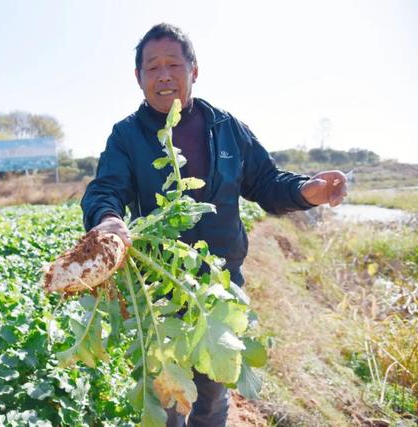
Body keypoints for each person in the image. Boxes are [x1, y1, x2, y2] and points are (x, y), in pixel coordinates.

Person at [80, 23, 347, 426]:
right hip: (159, 294)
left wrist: (305, 191)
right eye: (153, 67)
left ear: (194, 71)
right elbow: (105, 190)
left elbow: (267, 182)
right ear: (139, 78)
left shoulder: (226, 129)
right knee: (168, 399)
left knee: (211, 396)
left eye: (174, 64)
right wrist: (109, 219)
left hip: (220, 285)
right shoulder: (126, 136)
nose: (164, 75)